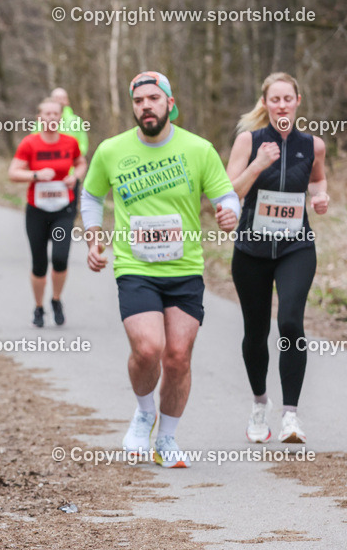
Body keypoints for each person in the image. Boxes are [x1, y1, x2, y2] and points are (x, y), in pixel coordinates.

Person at [81, 71, 240, 468]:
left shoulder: (198, 149)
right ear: (133, 107)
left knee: (178, 357)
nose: (146, 106)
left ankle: (166, 438)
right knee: (149, 348)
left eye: (153, 98)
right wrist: (93, 237)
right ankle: (144, 413)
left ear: (170, 103)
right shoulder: (112, 150)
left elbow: (226, 194)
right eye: (138, 101)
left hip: (184, 267)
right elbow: (91, 194)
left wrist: (229, 213)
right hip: (135, 266)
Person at [226, 72, 328, 444]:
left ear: (298, 101)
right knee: (256, 331)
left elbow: (317, 180)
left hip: (295, 247)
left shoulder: (312, 144)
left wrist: (320, 197)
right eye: (275, 99)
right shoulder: (248, 141)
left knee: (290, 323)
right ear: (265, 103)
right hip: (251, 248)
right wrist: (257, 164)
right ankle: (259, 406)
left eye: (288, 99)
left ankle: (291, 417)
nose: (282, 105)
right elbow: (228, 193)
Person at [9, 97, 86, 327]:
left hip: (64, 208)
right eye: (47, 114)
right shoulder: (30, 143)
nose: (52, 117)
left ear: (60, 118)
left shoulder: (70, 142)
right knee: (39, 263)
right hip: (37, 211)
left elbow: (81, 162)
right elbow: (13, 172)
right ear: (39, 118)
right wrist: (35, 175)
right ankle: (39, 307)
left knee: (60, 257)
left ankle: (56, 300)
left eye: (56, 114)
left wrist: (76, 176)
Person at [49, 87, 89, 156]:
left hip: (70, 163)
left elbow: (83, 144)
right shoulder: (42, 120)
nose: (60, 101)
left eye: (63, 98)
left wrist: (74, 156)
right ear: (51, 100)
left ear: (67, 101)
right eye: (57, 98)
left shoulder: (76, 120)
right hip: (46, 162)